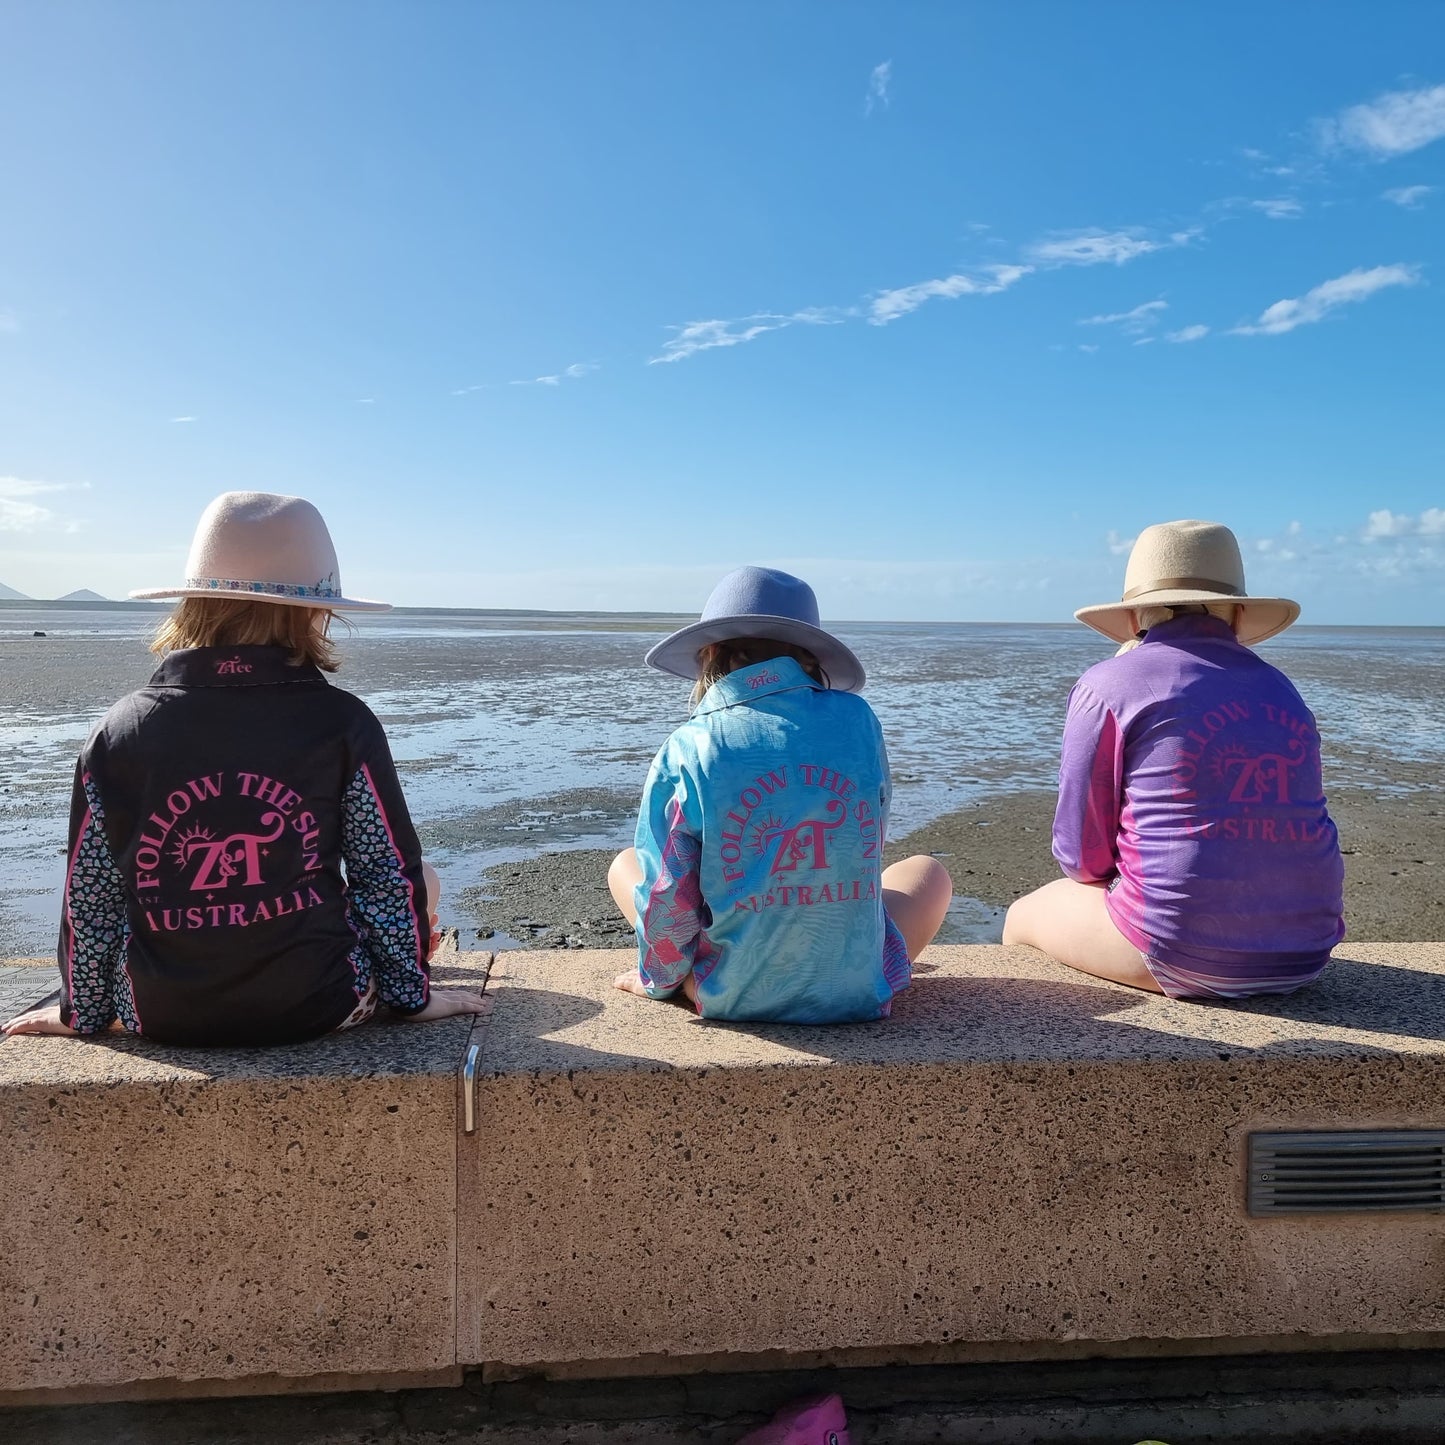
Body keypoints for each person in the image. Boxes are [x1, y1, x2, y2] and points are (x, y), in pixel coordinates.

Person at [2, 491, 490, 1045]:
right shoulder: (342, 721)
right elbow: (384, 871)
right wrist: (411, 999)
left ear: (192, 602)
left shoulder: (119, 730)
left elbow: (90, 892)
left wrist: (80, 1013)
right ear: (315, 613)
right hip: (320, 1005)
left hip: (160, 1013)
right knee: (420, 880)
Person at [1003, 519, 1345, 1000]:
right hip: (1308, 954)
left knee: (1024, 915)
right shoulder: (1281, 687)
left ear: (1131, 617)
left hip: (1182, 956)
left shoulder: (1108, 684)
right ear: (1239, 615)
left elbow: (1082, 857)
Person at [608, 566, 951, 1023]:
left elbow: (668, 894)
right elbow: (865, 842)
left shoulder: (689, 746)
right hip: (857, 991)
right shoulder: (859, 721)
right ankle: (843, 965)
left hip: (734, 994)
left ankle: (695, 980)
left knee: (626, 864)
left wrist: (655, 982)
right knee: (928, 873)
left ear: (709, 654)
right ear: (811, 657)